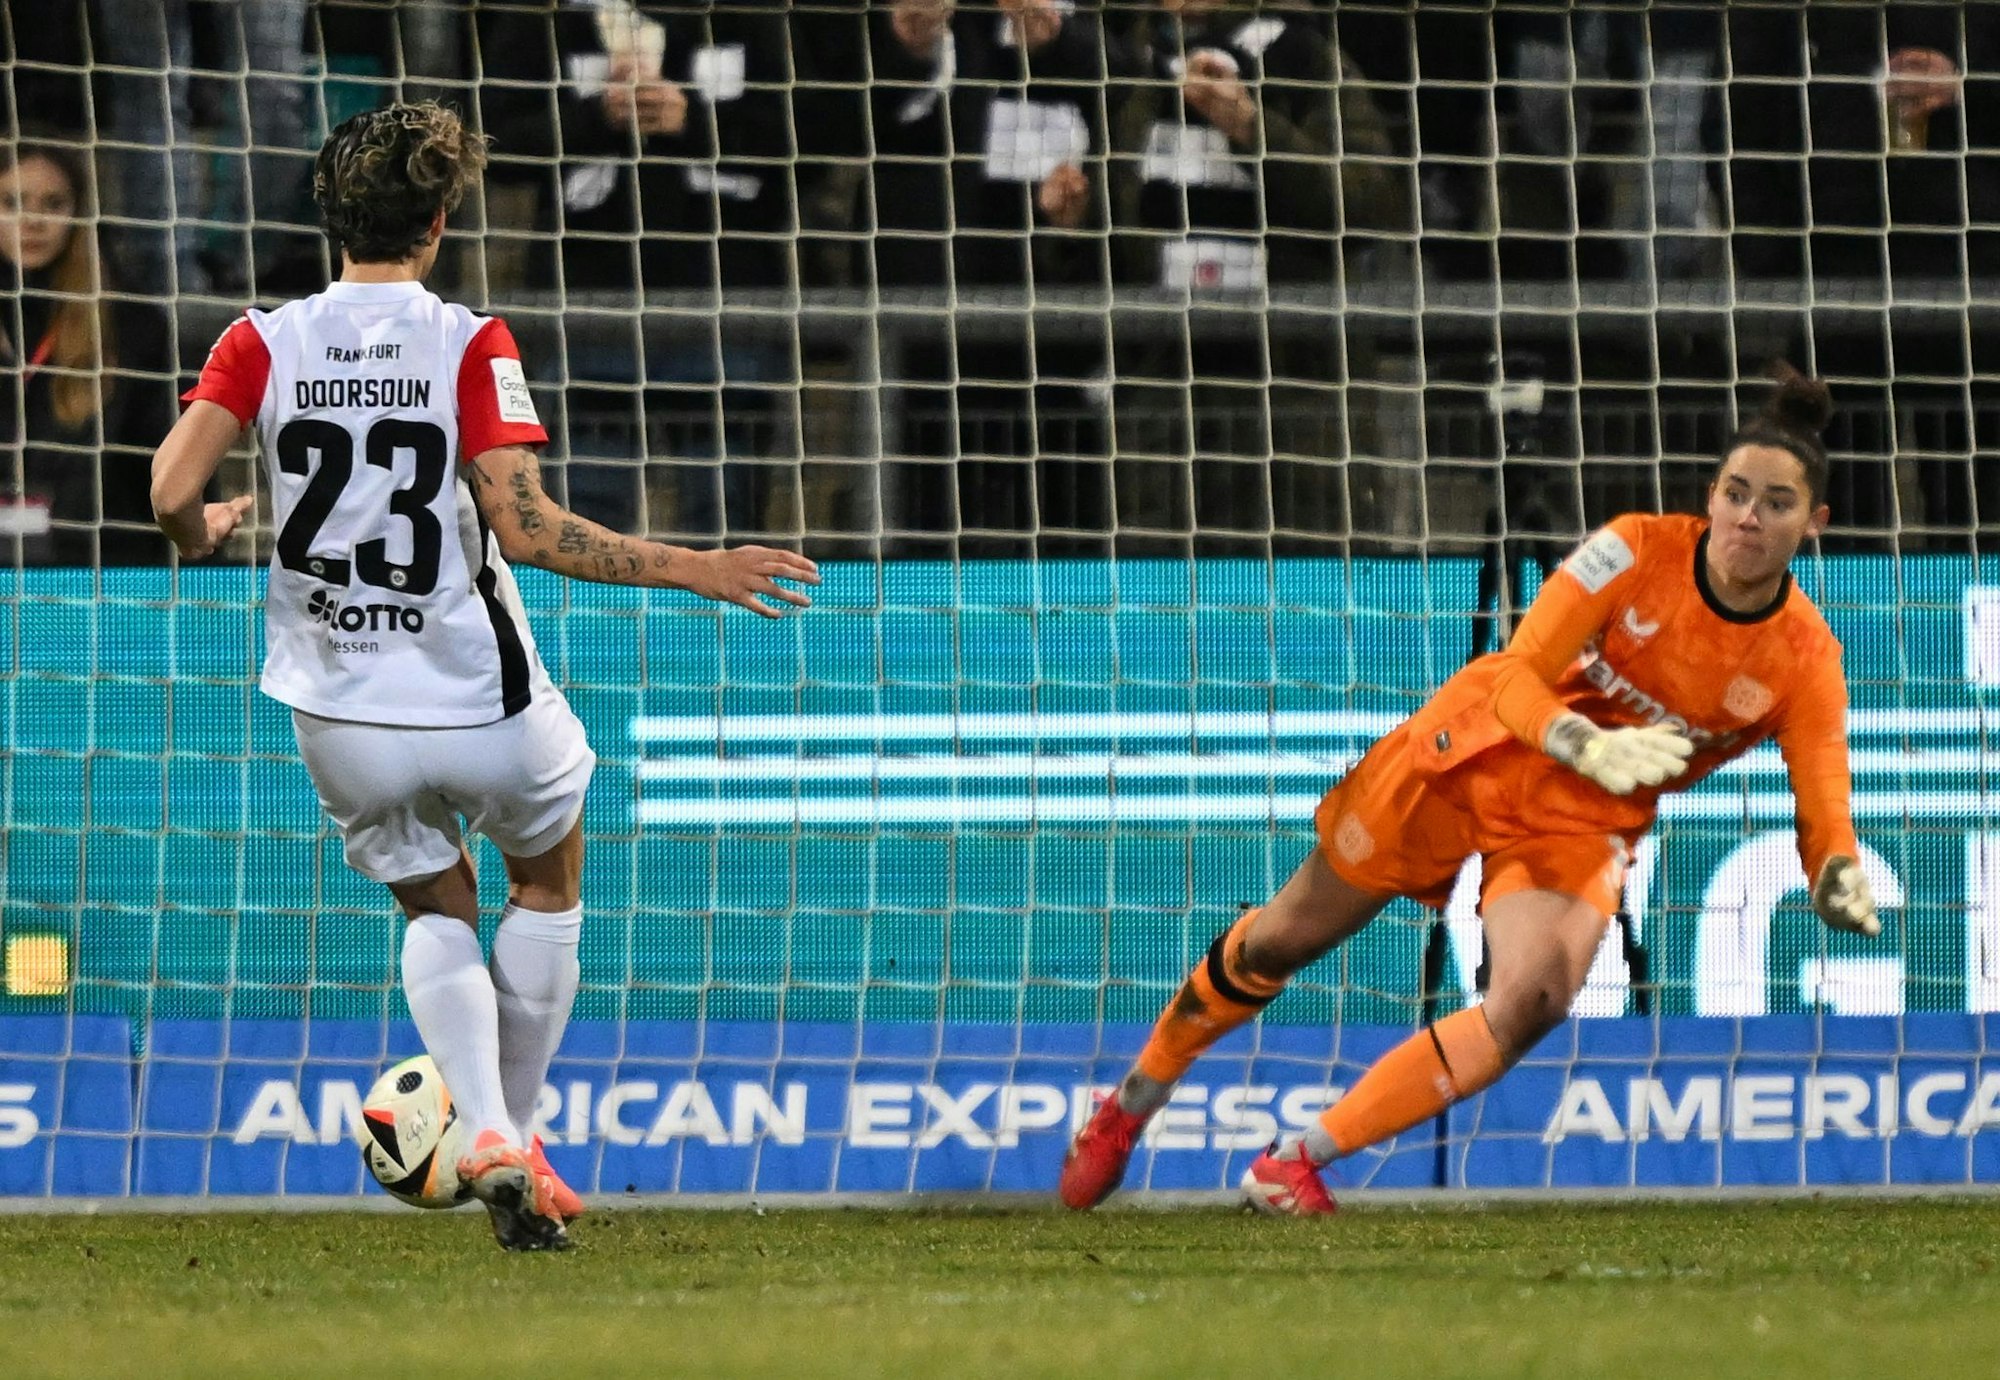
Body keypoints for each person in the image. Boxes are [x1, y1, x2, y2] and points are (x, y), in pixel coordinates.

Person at [149, 101, 819, 1250]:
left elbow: (169, 490)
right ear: (442, 219)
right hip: (473, 692)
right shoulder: (467, 340)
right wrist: (696, 565)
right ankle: (515, 1127)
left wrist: (202, 529)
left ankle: (491, 1137)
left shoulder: (260, 338)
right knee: (547, 878)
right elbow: (531, 530)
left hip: (336, 706)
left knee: (431, 899)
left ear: (330, 215)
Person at [1058, 366, 1882, 1215]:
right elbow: (1519, 670)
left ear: (1813, 523)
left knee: (1531, 1001)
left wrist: (1834, 873)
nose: (1749, 516)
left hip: (1580, 817)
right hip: (1477, 749)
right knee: (1281, 943)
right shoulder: (1634, 548)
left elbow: (1825, 807)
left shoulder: (1806, 660)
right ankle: (1129, 1108)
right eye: (1736, 493)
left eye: (1776, 504)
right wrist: (1580, 738)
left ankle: (1296, 1164)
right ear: (1710, 495)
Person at [0, 136, 177, 566]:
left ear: (80, 212)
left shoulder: (132, 325)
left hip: (100, 569)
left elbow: (168, 471)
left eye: (53, 203)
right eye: (12, 202)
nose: (33, 221)